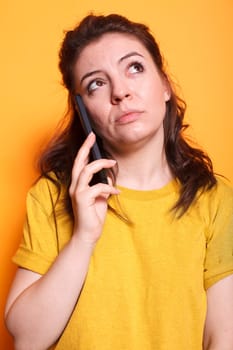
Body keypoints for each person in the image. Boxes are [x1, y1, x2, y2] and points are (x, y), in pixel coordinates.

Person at [4, 13, 233, 350]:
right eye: (97, 83)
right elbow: (26, 339)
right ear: (83, 110)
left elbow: (223, 334)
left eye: (135, 68)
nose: (121, 92)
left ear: (165, 85)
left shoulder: (213, 199)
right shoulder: (52, 195)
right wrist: (83, 237)